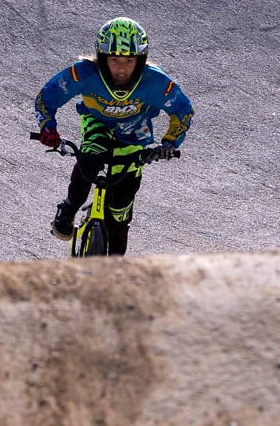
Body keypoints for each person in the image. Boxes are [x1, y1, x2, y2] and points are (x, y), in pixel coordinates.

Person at [34, 17, 194, 255]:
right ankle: (69, 208)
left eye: (129, 60)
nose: (121, 67)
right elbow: (47, 97)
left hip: (135, 133)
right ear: (101, 58)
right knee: (90, 156)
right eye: (114, 59)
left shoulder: (155, 81)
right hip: (96, 122)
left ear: (140, 61)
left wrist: (170, 142)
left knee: (119, 214)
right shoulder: (84, 74)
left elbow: (182, 110)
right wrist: (48, 129)